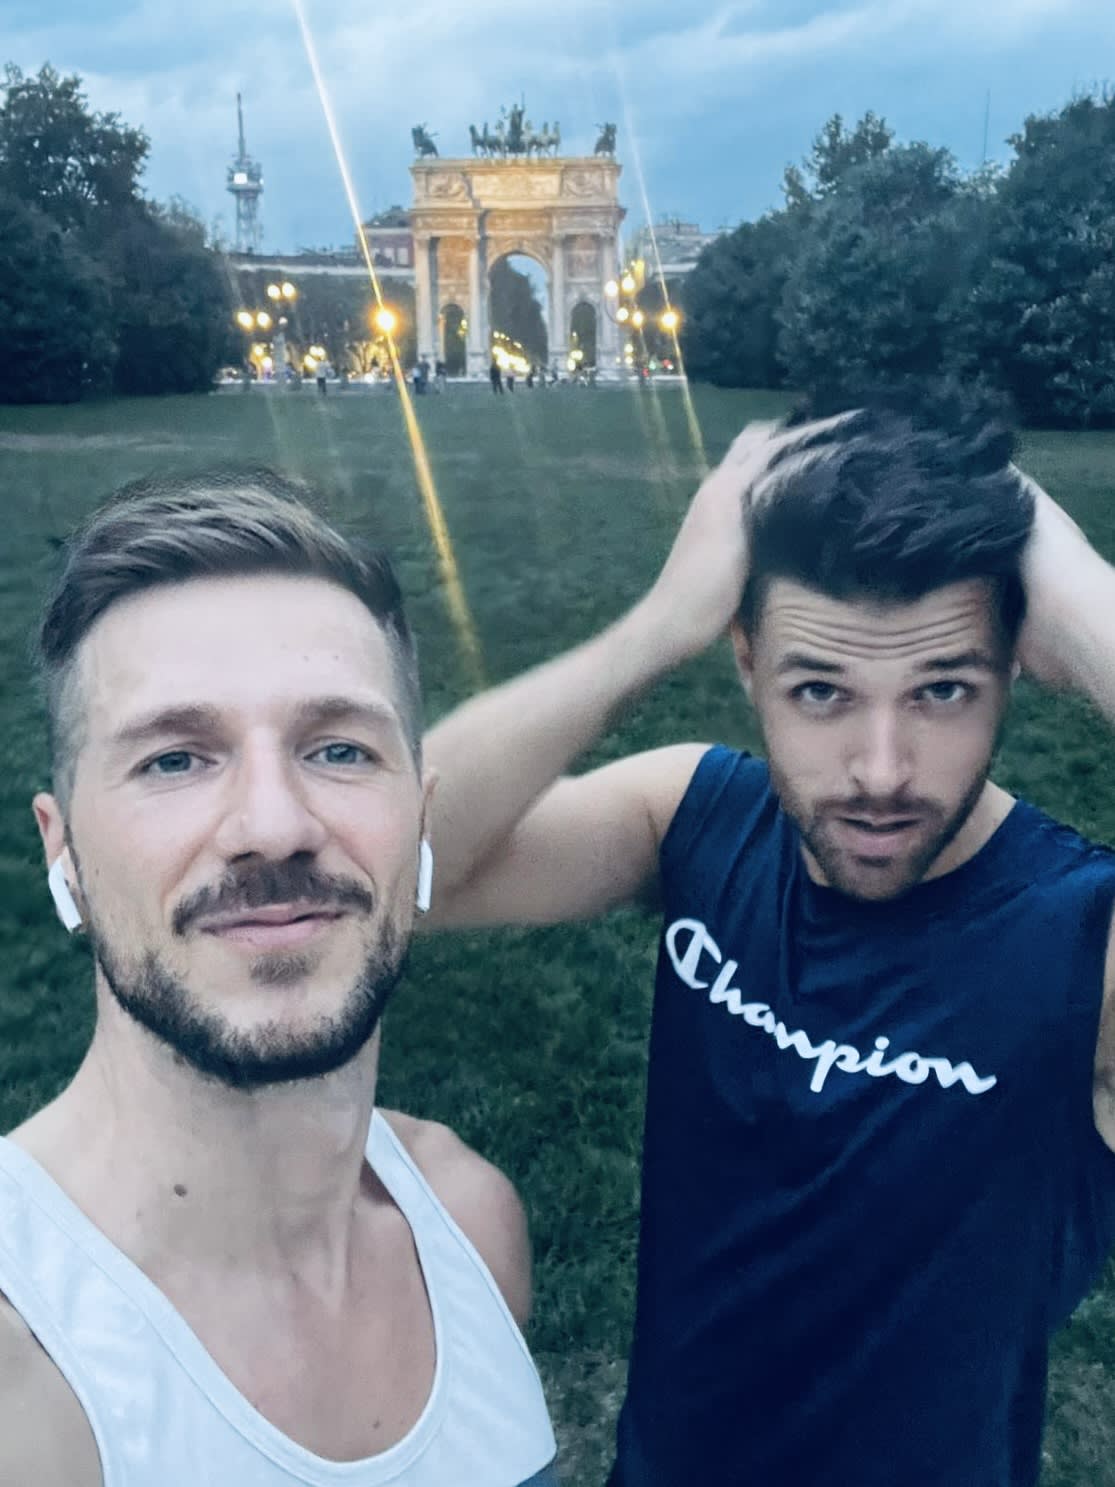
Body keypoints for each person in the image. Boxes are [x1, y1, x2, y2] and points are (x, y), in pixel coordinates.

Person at [420, 405, 1115, 1486]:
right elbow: (382, 871)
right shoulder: (694, 816)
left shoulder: (1080, 939)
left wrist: (1085, 604)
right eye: (818, 691)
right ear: (743, 662)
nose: (879, 768)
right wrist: (652, 628)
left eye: (941, 688)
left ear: (1015, 670)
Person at [0, 470, 558, 1487]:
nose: (274, 824)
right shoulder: (21, 1380)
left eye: (338, 747)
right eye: (174, 758)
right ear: (62, 848)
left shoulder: (471, 1221)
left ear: (420, 818)